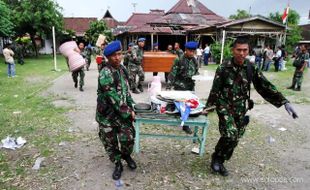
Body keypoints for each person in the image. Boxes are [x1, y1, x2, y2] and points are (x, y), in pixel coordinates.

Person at [204, 37, 298, 176]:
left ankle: (220, 159)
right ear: (233, 50)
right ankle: (216, 159)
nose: (242, 53)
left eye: (245, 50)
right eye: (238, 50)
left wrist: (284, 101)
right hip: (224, 106)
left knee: (235, 138)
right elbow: (215, 90)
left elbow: (264, 86)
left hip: (241, 107)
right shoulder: (223, 68)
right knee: (230, 134)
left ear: (248, 51)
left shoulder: (250, 67)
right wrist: (208, 108)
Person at [96, 40, 136, 180]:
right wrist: (128, 112)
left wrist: (133, 106)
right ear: (108, 57)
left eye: (119, 54)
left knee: (129, 138)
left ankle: (126, 155)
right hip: (107, 116)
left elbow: (126, 92)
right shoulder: (105, 73)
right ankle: (118, 163)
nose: (117, 57)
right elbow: (113, 98)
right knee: (110, 143)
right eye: (114, 55)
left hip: (122, 114)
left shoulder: (122, 69)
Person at [168, 41, 199, 134]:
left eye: (193, 51)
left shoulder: (194, 60)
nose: (192, 53)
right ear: (186, 50)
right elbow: (172, 73)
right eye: (190, 51)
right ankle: (185, 125)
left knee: (189, 105)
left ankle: (186, 123)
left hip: (190, 86)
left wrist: (197, 76)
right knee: (181, 105)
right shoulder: (179, 59)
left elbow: (196, 72)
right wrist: (170, 85)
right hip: (180, 86)